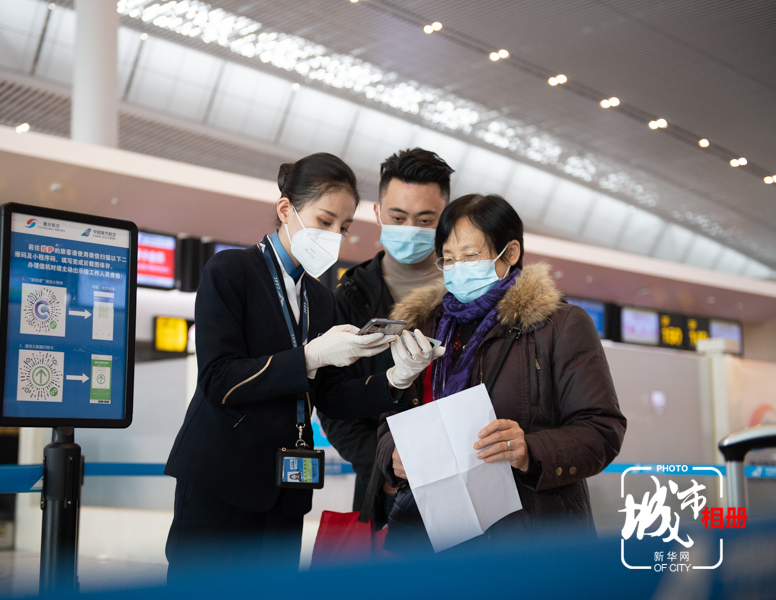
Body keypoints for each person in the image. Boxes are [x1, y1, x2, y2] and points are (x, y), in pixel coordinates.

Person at [163, 153, 444, 576]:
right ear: (285, 209)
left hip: (286, 487)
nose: (334, 236)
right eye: (324, 221)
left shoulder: (321, 298)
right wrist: (310, 356)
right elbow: (219, 380)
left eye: (343, 227)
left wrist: (394, 379)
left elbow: (330, 397)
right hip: (223, 479)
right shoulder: (231, 271)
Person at [376, 193, 627, 552]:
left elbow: (602, 429)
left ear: (510, 253)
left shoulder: (560, 325)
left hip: (529, 535)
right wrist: (392, 454)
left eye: (470, 255)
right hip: (431, 533)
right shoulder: (424, 325)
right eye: (449, 258)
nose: (458, 268)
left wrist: (530, 450)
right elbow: (392, 415)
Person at [319, 148, 454, 526]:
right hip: (383, 491)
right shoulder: (349, 295)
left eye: (425, 219)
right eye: (398, 217)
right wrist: (382, 464)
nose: (410, 228)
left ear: (445, 218)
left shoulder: (469, 292)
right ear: (378, 213)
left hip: (466, 476)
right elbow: (333, 403)